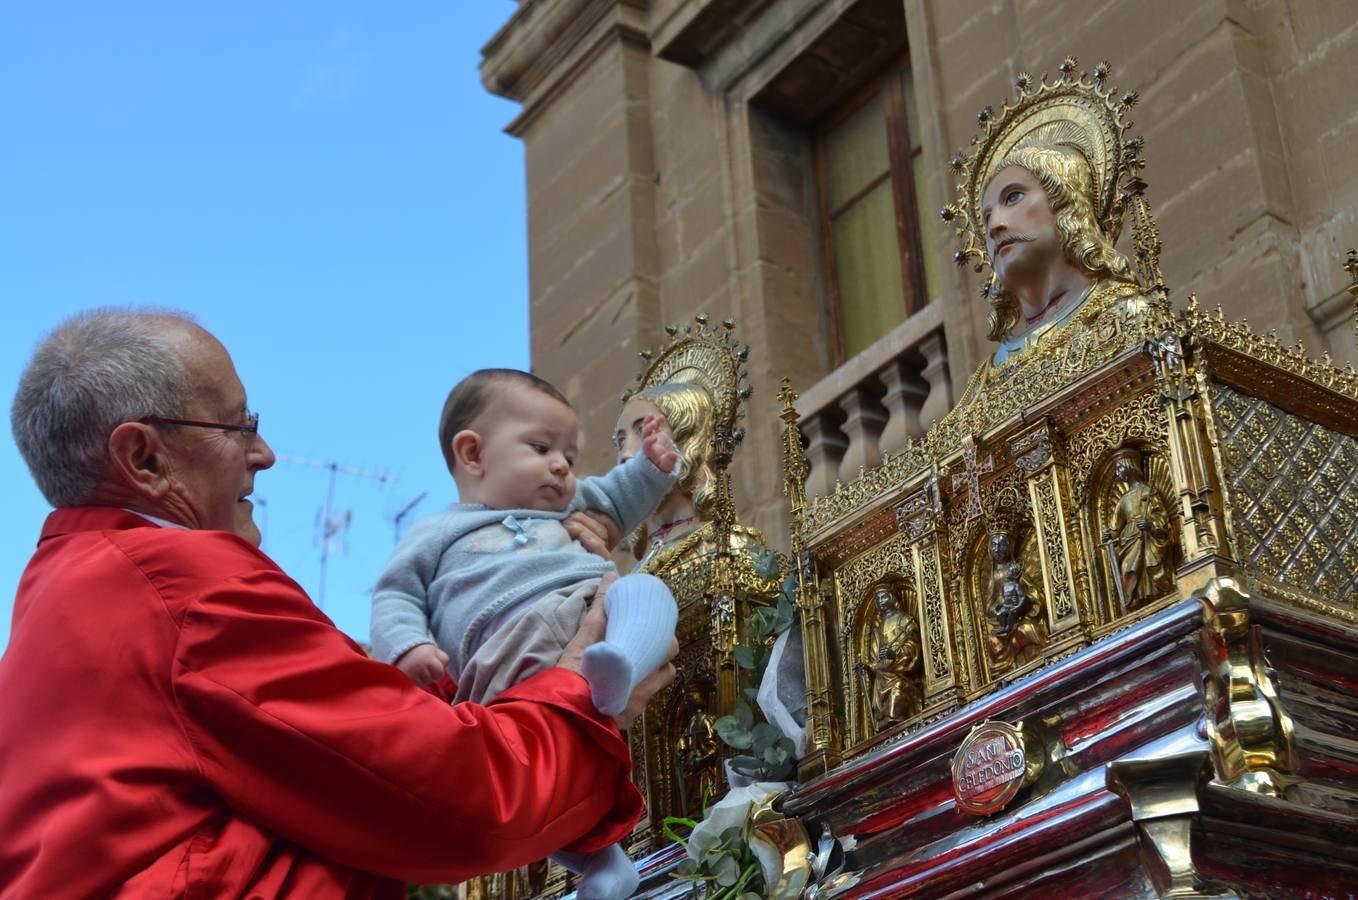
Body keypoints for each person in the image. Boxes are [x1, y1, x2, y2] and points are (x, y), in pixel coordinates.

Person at [0, 309, 674, 899]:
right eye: (239, 426)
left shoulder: (67, 592)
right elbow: (468, 800)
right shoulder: (186, 593)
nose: (263, 454)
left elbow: (350, 743)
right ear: (145, 459)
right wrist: (583, 692)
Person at [370, 368, 681, 900]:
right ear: (473, 454)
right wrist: (409, 647)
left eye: (569, 454)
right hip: (501, 658)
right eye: (541, 447)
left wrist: (651, 468)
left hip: (584, 613)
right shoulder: (435, 533)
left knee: (646, 590)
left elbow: (617, 495)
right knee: (538, 779)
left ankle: (620, 665)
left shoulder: (568, 505)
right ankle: (603, 865)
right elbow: (395, 595)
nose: (561, 465)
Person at [1108, 449, 1175, 607]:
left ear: (1129, 465)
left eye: (1119, 467)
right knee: (1128, 567)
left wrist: (1150, 524)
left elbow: (1160, 515)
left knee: (1150, 563)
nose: (1117, 473)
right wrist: (1108, 535)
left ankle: (1155, 593)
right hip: (1129, 538)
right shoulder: (1123, 500)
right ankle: (1136, 598)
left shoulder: (1147, 491)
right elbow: (1115, 527)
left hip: (1146, 535)